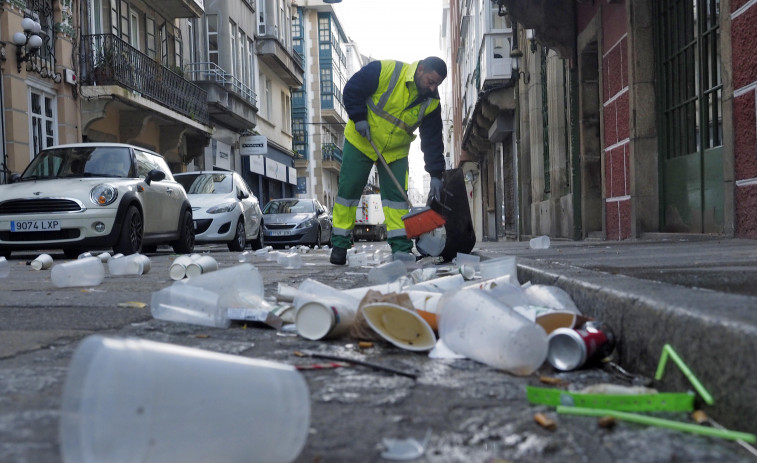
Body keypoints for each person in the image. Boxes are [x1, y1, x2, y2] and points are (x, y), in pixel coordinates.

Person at [330, 56, 448, 265]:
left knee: (397, 201)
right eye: (431, 81)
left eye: (437, 84)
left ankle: (401, 249)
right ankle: (339, 245)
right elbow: (352, 89)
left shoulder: (432, 102)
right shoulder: (386, 71)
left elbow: (432, 139)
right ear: (420, 70)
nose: (432, 88)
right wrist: (359, 118)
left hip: (395, 151)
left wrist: (436, 174)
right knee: (348, 192)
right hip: (362, 141)